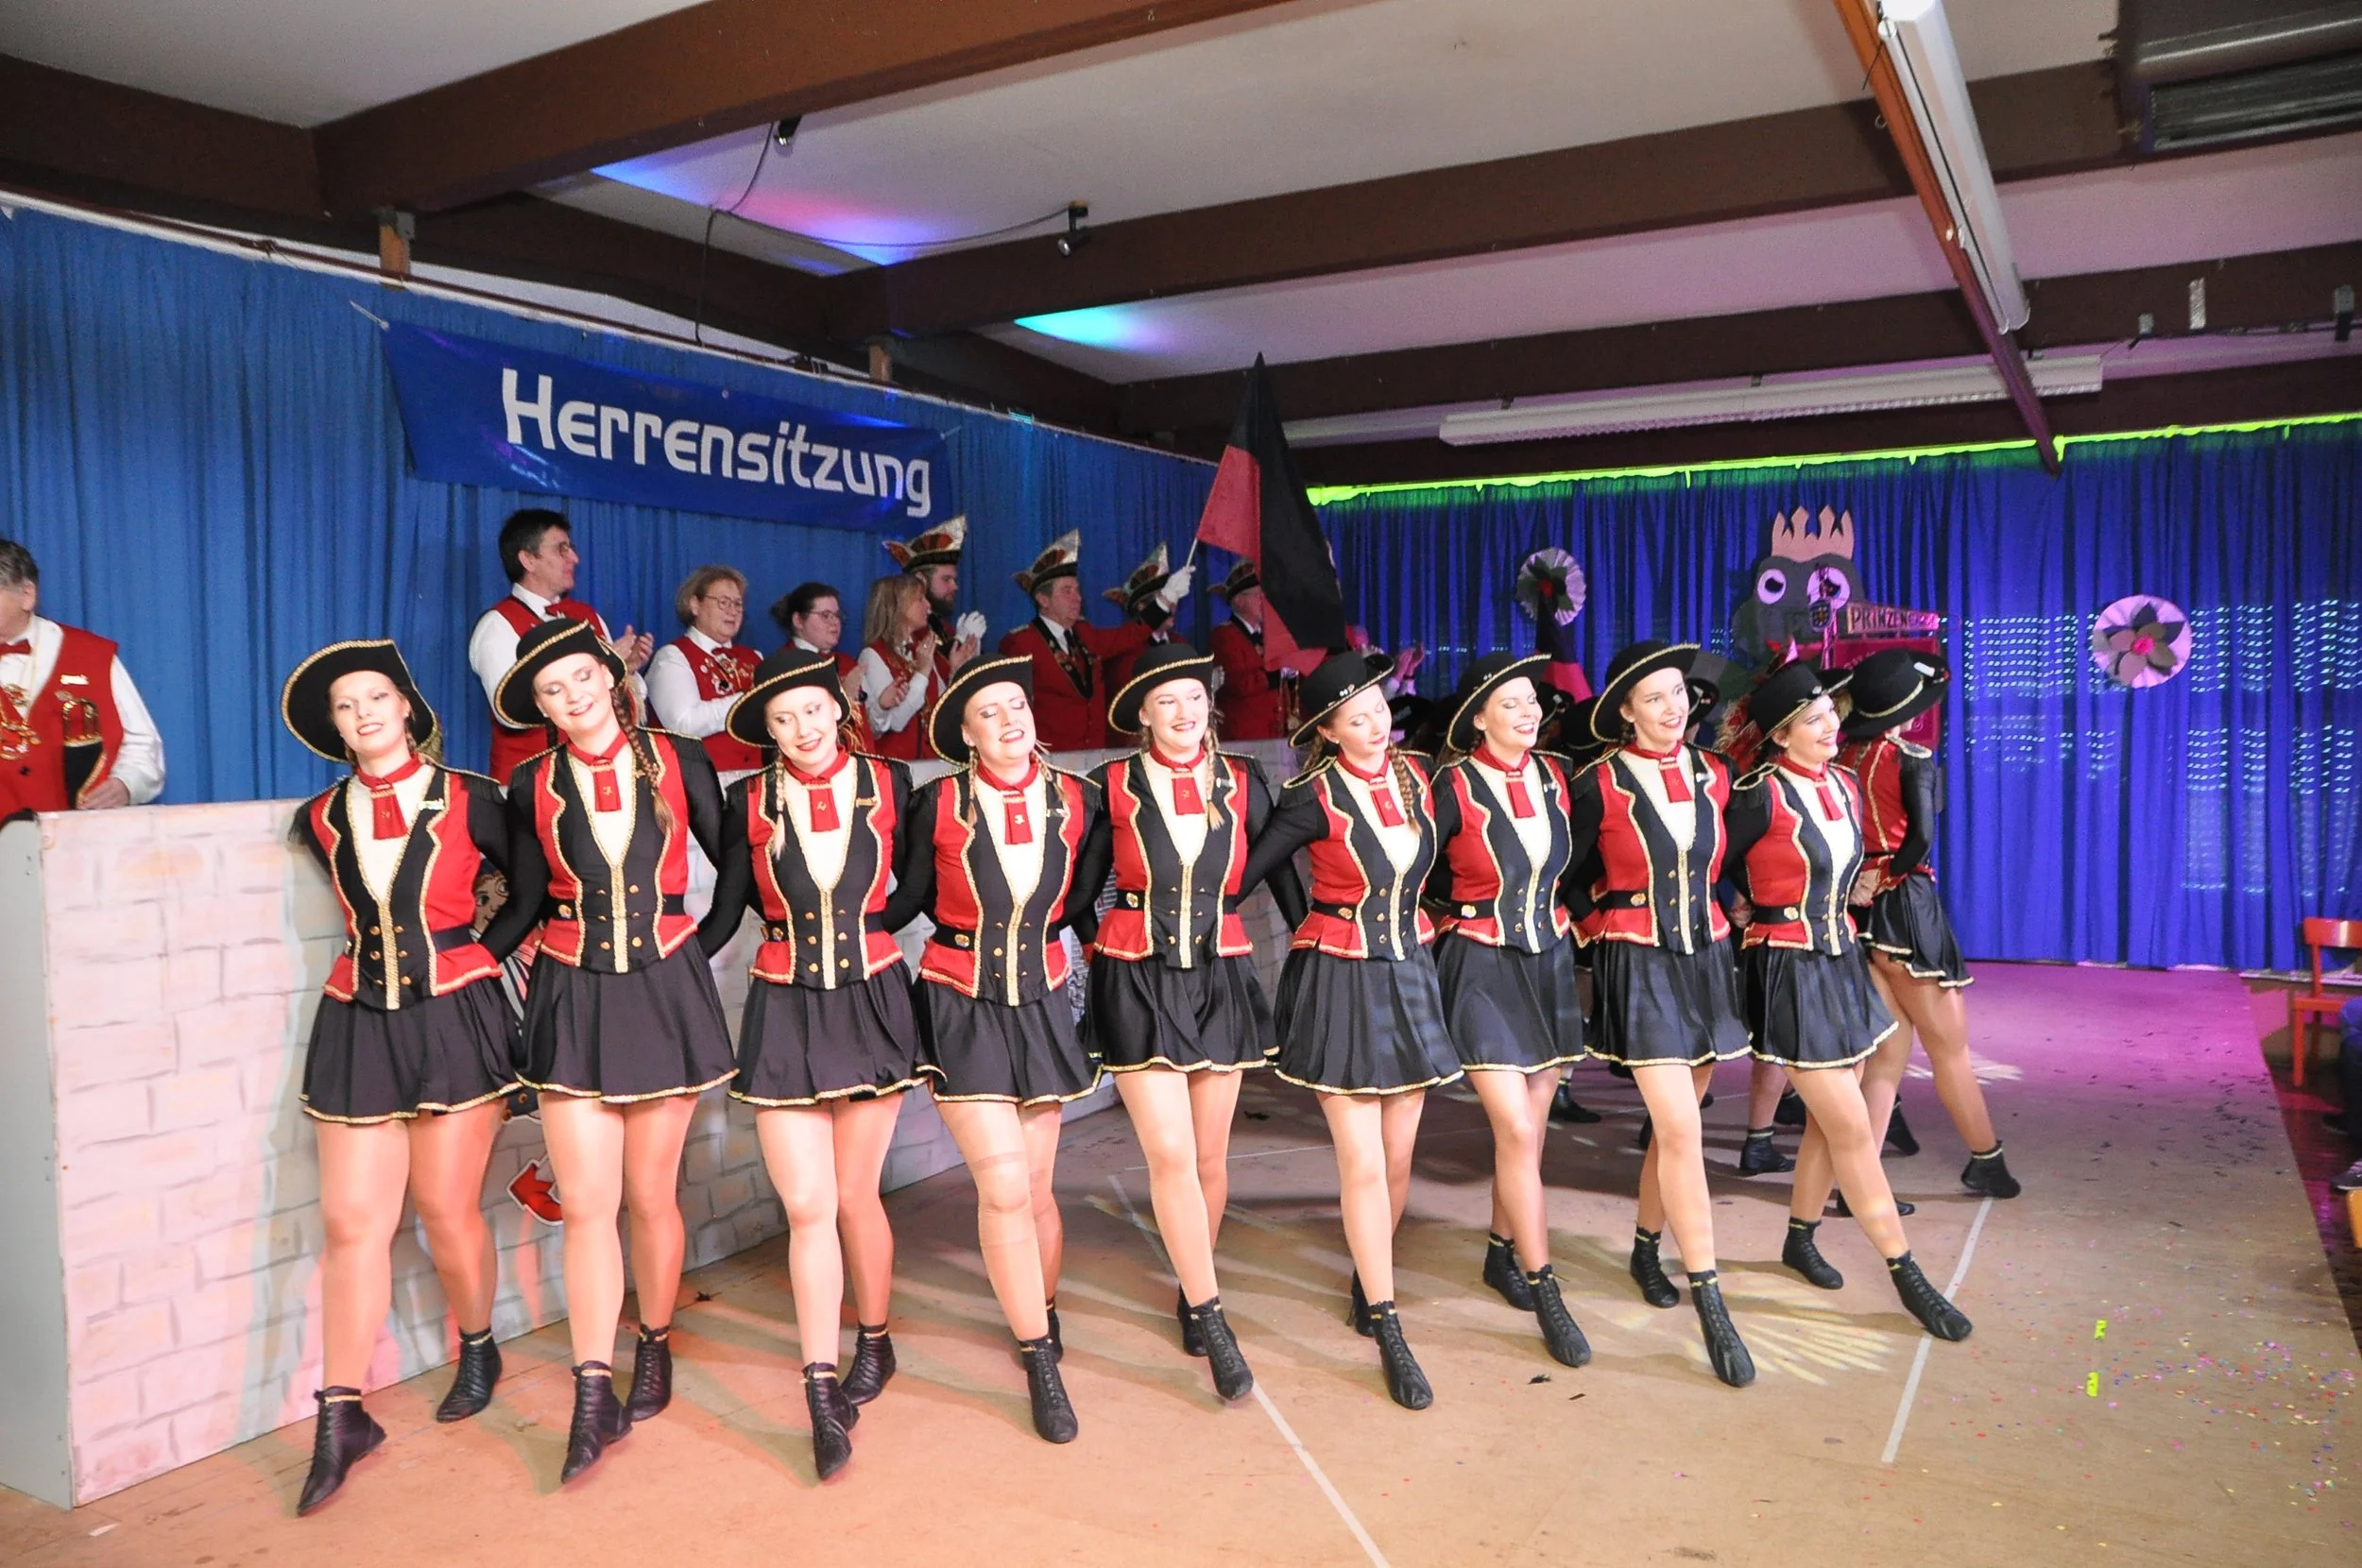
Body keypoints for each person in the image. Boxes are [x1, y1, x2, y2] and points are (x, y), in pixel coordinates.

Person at [478, 619, 735, 1483]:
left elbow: (734, 864)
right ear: (542, 709)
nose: (573, 696)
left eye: (583, 677)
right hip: (571, 994)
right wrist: (464, 966)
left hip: (665, 992)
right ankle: (593, 1389)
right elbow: (521, 900)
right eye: (553, 691)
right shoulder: (530, 784)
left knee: (651, 1196)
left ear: (611, 676)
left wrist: (694, 949)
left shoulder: (679, 761)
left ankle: (653, 1343)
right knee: (588, 1204)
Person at [278, 640, 518, 1515]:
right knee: (351, 1222)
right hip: (356, 1018)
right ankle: (341, 1414)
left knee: (446, 1210)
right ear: (334, 727)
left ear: (407, 705)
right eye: (346, 706)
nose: (364, 714)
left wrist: (478, 958)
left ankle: (479, 1345)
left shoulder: (474, 797)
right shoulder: (319, 817)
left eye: (376, 697)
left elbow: (528, 888)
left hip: (455, 1014)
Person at [697, 647, 917, 1479]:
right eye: (783, 719)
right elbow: (728, 908)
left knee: (855, 1196)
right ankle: (820, 1391)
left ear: (839, 708)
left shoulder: (890, 783)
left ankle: (877, 1340)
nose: (801, 729)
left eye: (814, 710)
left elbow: (918, 888)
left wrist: (868, 934)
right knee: (806, 1205)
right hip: (784, 1006)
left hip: (871, 1001)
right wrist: (663, 969)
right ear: (768, 728)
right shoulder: (746, 799)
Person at [1066, 641, 1303, 1402]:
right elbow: (1081, 892)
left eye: (1194, 697)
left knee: (1209, 1158)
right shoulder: (1112, 784)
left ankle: (1190, 1283)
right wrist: (1095, 951)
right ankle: (1211, 1312)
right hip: (1137, 974)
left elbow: (1281, 870)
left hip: (1220, 973)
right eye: (1166, 700)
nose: (1184, 711)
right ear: (1142, 713)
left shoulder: (1244, 779)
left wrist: (1316, 948)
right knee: (1169, 1155)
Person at [1237, 649, 1463, 1411]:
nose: (1374, 726)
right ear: (1328, 731)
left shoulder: (1417, 777)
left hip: (1410, 973)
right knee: (1363, 1163)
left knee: (1397, 1160)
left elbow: (1448, 859)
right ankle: (1390, 1324)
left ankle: (1371, 1282)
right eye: (1355, 718)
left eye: (1379, 711)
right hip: (1339, 977)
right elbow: (1251, 871)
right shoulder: (1312, 795)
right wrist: (1306, 917)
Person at [1721, 660, 1973, 1342]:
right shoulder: (1758, 794)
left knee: (1830, 1124)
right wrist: (1744, 905)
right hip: (1788, 969)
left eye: (1832, 712)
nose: (1832, 724)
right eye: (1813, 718)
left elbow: (1850, 863)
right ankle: (1907, 1275)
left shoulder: (1841, 784)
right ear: (1780, 735)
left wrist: (1857, 891)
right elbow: (1713, 860)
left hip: (1840, 960)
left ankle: (1800, 1238)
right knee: (1854, 1128)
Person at [880, 655, 1097, 1442]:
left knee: (1036, 1189)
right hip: (958, 996)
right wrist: (837, 929)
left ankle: (1042, 1307)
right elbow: (906, 897)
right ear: (966, 736)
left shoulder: (1077, 797)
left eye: (1017, 706)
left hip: (1041, 998)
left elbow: (1082, 898)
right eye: (989, 713)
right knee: (1003, 1187)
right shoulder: (936, 801)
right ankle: (1039, 1359)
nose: (1010, 720)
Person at [1565, 640, 1755, 1387]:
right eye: (1654, 697)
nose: (1673, 707)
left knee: (1677, 1130)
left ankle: (1646, 1247)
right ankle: (1711, 1299)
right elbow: (1566, 874)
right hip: (1638, 963)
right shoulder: (1598, 782)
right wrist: (1600, 930)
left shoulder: (1717, 773)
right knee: (1680, 1129)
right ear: (1626, 711)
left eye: (1678, 692)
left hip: (1704, 959)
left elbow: (1727, 860)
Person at [1423, 653, 1593, 1368]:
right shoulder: (1452, 785)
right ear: (1478, 718)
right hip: (1481, 966)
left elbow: (1581, 863)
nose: (1529, 712)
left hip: (1548, 965)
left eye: (1532, 701)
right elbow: (1416, 869)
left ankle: (1500, 1250)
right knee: (1518, 1129)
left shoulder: (1557, 776)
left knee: (1530, 1136)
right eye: (1511, 703)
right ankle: (1546, 1287)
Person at [1833, 649, 2020, 1201]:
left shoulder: (1843, 759)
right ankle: (1986, 1161)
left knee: (1886, 1060)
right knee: (1949, 1051)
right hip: (1907, 908)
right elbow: (1919, 840)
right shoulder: (1909, 757)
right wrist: (1888, 874)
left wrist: (1864, 879)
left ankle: (1856, 1184)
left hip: (1861, 911)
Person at [467, 509, 654, 783]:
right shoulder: (498, 624)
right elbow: (511, 712)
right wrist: (605, 664)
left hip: (598, 775)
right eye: (561, 549)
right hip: (532, 783)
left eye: (571, 548)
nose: (574, 558)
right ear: (528, 560)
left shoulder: (586, 616)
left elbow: (623, 703)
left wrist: (625, 669)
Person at [0, 537, 164, 816]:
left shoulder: (92, 655)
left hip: (83, 833)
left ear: (27, 594)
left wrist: (125, 784)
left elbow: (141, 743)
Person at [997, 532, 1193, 753]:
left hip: (1094, 756)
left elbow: (1130, 635)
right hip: (1051, 759)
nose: (1078, 597)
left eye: (1077, 590)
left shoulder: (1084, 632)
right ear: (1043, 600)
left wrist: (1166, 598)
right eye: (1067, 591)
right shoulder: (1022, 643)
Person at [647, 566, 764, 782]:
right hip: (700, 784)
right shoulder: (672, 657)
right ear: (694, 605)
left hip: (757, 779)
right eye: (723, 602)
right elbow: (682, 723)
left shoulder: (754, 658)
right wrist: (746, 701)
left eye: (738, 604)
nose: (733, 611)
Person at [857, 573, 945, 761]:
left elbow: (941, 707)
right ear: (897, 607)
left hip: (932, 763)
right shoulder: (873, 656)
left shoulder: (918, 651)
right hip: (897, 767)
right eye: (919, 599)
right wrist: (922, 673)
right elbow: (894, 722)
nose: (928, 605)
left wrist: (956, 669)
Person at [884, 516, 984, 673]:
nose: (955, 587)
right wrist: (959, 642)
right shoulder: (908, 626)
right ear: (921, 580)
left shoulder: (944, 628)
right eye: (946, 579)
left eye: (954, 580)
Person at [1207, 559, 1287, 741]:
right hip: (1243, 736)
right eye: (1258, 596)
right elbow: (1238, 683)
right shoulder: (1224, 635)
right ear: (1239, 600)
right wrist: (1278, 673)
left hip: (1274, 733)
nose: (1264, 602)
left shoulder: (1268, 636)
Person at [1098, 544, 1180, 720]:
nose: (1173, 606)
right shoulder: (1125, 653)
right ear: (1143, 608)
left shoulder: (1181, 644)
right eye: (1165, 601)